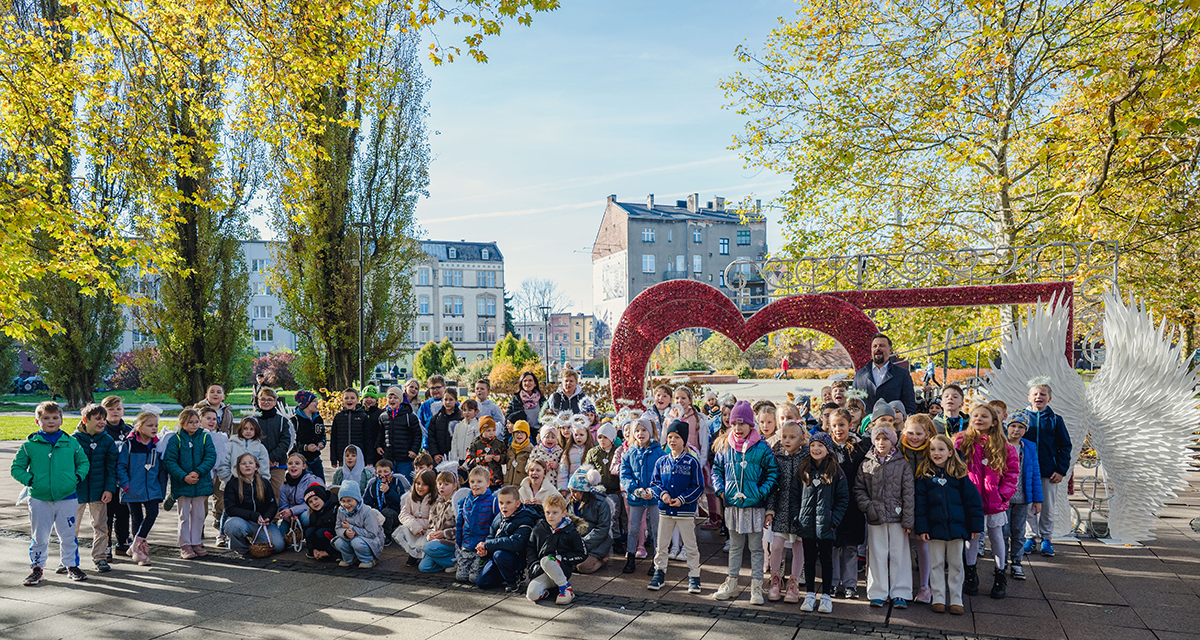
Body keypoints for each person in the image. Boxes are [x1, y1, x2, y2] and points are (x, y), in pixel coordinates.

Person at [12, 401, 90, 585]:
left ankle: (71, 565)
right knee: (39, 535)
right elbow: (17, 468)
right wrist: (31, 480)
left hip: (67, 497)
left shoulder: (71, 443)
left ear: (61, 420)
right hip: (39, 498)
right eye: (46, 418)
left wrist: (76, 478)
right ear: (37, 421)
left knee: (68, 535)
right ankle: (37, 568)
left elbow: (83, 463)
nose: (51, 421)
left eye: (55, 418)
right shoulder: (29, 445)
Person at [712, 402, 778, 604]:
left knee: (757, 548)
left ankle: (756, 587)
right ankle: (732, 583)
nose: (738, 428)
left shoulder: (762, 448)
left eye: (742, 423)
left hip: (755, 506)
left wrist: (761, 492)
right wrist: (721, 491)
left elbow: (772, 473)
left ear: (751, 424)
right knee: (735, 547)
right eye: (734, 423)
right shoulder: (725, 446)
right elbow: (717, 470)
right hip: (733, 505)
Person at [915, 434, 984, 615]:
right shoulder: (924, 477)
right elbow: (920, 505)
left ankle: (956, 598)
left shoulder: (960, 476)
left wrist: (975, 526)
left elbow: (973, 502)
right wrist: (922, 528)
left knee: (956, 564)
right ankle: (938, 597)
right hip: (934, 529)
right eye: (932, 450)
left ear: (950, 452)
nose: (936, 453)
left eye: (941, 449)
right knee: (936, 564)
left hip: (957, 529)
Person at [956, 403, 1018, 599]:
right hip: (971, 502)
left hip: (994, 502)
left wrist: (1001, 495)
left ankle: (1000, 575)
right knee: (972, 538)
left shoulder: (1005, 447)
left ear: (993, 422)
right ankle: (971, 574)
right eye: (975, 415)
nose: (978, 419)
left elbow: (1012, 475)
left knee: (997, 537)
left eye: (984, 416)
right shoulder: (960, 442)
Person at [854, 423, 915, 608]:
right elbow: (859, 489)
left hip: (897, 517)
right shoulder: (866, 463)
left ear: (893, 441)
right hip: (875, 517)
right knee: (876, 554)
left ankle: (901, 591)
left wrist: (908, 519)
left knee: (900, 554)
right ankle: (877, 592)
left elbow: (908, 493)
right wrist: (869, 507)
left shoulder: (902, 464)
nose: (881, 442)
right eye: (878, 439)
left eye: (885, 439)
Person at [648, 419, 706, 594]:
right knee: (662, 544)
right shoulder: (661, 462)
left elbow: (698, 486)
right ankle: (659, 573)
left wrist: (682, 499)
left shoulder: (691, 462)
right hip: (665, 511)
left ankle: (694, 576)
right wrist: (663, 494)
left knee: (690, 545)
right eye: (670, 436)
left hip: (685, 511)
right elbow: (655, 482)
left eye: (677, 437)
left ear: (684, 440)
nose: (672, 440)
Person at [795, 431, 850, 614]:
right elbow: (795, 495)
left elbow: (843, 498)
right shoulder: (804, 469)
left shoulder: (836, 471)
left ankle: (826, 596)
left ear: (828, 449)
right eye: (813, 445)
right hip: (807, 524)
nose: (816, 449)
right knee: (809, 560)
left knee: (827, 561)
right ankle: (810, 594)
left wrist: (834, 521)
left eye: (820, 446)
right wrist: (797, 517)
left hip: (826, 525)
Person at [1022, 381, 1073, 558]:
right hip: (1026, 472)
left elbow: (1065, 446)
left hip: (1048, 472)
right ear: (1029, 397)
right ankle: (1030, 537)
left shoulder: (1055, 420)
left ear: (1049, 398)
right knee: (1028, 505)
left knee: (1048, 507)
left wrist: (1061, 469)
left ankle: (1047, 538)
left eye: (1043, 394)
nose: (1039, 397)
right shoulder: (1022, 419)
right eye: (1035, 394)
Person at [163, 408, 217, 560]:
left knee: (199, 514)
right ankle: (185, 543)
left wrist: (198, 472)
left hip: (201, 482)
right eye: (190, 422)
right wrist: (183, 476)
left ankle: (196, 542)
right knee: (184, 515)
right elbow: (170, 461)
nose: (194, 425)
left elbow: (210, 457)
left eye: (196, 422)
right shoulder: (176, 440)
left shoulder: (205, 437)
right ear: (182, 423)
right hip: (183, 483)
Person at [117, 411, 168, 566]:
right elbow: (121, 466)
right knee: (137, 518)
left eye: (156, 426)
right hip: (132, 489)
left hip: (152, 489)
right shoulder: (129, 445)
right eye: (150, 425)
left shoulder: (157, 446)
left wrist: (161, 490)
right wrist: (126, 485)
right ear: (139, 427)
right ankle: (139, 550)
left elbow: (161, 471)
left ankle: (136, 545)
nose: (154, 428)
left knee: (153, 513)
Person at [828, 408, 869, 598]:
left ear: (850, 425)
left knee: (851, 546)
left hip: (852, 504)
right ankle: (833, 582)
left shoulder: (859, 449)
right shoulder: (826, 448)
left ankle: (851, 584)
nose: (838, 429)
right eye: (834, 425)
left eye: (842, 425)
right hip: (831, 503)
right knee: (834, 545)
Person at [73, 403, 117, 574]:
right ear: (85, 420)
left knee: (100, 525)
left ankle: (99, 558)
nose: (102, 422)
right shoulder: (73, 440)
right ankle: (69, 559)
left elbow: (111, 467)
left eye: (104, 419)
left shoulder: (107, 441)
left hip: (100, 491)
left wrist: (109, 489)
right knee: (71, 527)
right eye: (97, 419)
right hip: (76, 492)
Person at [765, 421, 807, 603]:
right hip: (781, 508)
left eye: (792, 437)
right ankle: (775, 579)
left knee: (799, 546)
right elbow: (773, 486)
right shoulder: (777, 457)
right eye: (784, 437)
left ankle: (794, 583)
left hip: (799, 509)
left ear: (801, 438)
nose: (787, 441)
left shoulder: (806, 459)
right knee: (776, 545)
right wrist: (770, 510)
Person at [525, 492, 587, 604]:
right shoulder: (538, 529)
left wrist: (562, 558)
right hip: (542, 570)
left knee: (547, 560)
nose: (550, 516)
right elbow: (530, 548)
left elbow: (582, 554)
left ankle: (565, 588)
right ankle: (548, 591)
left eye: (555, 513)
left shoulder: (571, 532)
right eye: (547, 512)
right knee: (531, 595)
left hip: (561, 570)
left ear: (564, 514)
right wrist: (533, 564)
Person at [620, 417, 664, 573]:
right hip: (636, 498)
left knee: (657, 528)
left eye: (644, 430)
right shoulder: (629, 453)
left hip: (654, 498)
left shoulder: (659, 452)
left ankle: (657, 561)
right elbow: (625, 475)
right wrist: (635, 490)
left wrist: (654, 490)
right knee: (633, 528)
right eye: (637, 430)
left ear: (650, 432)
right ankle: (631, 557)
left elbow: (663, 474)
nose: (640, 433)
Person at [476, 485, 538, 591]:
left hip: (515, 557)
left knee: (499, 554)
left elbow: (516, 543)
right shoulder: (499, 516)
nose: (504, 506)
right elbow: (491, 535)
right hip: (497, 556)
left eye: (508, 503)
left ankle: (513, 581)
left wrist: (488, 545)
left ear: (518, 504)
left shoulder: (525, 519)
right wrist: (485, 550)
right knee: (482, 583)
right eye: (501, 503)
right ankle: (504, 573)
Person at [901, 414, 936, 603]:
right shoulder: (899, 449)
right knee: (904, 546)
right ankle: (904, 584)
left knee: (922, 545)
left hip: (924, 505)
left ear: (927, 434)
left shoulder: (932, 451)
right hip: (904, 504)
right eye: (911, 433)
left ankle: (924, 586)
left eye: (919, 434)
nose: (914, 437)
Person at [1004, 412, 1043, 581]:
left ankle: (1017, 563)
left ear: (1026, 430)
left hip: (1021, 498)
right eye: (1013, 426)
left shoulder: (1029, 447)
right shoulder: (1001, 446)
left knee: (1019, 532)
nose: (1016, 430)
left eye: (1021, 427)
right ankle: (1001, 563)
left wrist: (1037, 499)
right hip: (1003, 499)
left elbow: (1035, 473)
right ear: (1007, 427)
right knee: (1002, 533)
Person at [224, 452, 285, 556]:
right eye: (243, 463)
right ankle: (243, 548)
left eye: (250, 463)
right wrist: (254, 516)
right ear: (239, 467)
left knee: (278, 546)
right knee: (232, 525)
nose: (247, 465)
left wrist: (267, 517)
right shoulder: (232, 484)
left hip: (262, 523)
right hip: (243, 521)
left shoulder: (265, 482)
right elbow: (230, 508)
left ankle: (257, 542)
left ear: (256, 467)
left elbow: (272, 504)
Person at [852, 333, 917, 415]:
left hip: (891, 425)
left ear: (890, 350)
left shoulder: (902, 374)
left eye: (881, 345)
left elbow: (909, 406)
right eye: (875, 346)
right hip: (865, 425)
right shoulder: (860, 375)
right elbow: (853, 404)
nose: (878, 348)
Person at [100, 395, 133, 558]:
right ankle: (105, 544)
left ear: (123, 411)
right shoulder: (100, 431)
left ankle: (123, 542)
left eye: (118, 409)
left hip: (124, 480)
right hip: (106, 480)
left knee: (124, 512)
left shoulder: (129, 430)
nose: (115, 412)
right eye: (110, 409)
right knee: (106, 514)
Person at [585, 420, 624, 553]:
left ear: (612, 438)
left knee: (614, 515)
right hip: (598, 490)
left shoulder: (617, 451)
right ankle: (602, 539)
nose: (602, 440)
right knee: (600, 515)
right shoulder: (593, 452)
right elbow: (588, 469)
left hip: (615, 490)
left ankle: (617, 539)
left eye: (605, 437)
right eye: (600, 437)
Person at [455, 466, 498, 583]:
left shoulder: (493, 502)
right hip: (467, 545)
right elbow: (460, 523)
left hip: (482, 548)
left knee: (474, 579)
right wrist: (459, 542)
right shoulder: (465, 502)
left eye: (479, 481)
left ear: (487, 484)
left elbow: (496, 525)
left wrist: (489, 545)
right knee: (461, 577)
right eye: (472, 482)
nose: (475, 485)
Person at [568, 467, 612, 574]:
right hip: (578, 543)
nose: (572, 495)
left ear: (584, 491)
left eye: (575, 492)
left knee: (584, 567)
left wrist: (583, 543)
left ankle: (602, 559)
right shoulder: (571, 503)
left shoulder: (601, 504)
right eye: (571, 492)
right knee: (569, 564)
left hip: (597, 543)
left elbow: (602, 529)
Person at [333, 480, 384, 568]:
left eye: (349, 500)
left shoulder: (368, 512)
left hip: (370, 541)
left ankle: (369, 559)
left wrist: (351, 528)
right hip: (352, 538)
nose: (346, 504)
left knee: (356, 542)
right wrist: (345, 533)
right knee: (339, 542)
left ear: (357, 500)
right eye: (343, 501)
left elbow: (372, 534)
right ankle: (349, 559)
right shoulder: (341, 510)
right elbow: (338, 528)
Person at [275, 452, 321, 547]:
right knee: (279, 545)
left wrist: (293, 511)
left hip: (307, 513)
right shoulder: (284, 485)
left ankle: (308, 536)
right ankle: (294, 536)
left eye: (297, 463)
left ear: (304, 466)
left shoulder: (311, 481)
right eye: (290, 463)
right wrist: (289, 516)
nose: (293, 466)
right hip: (290, 519)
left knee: (305, 518)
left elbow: (314, 503)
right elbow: (283, 506)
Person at [376, 386, 423, 478]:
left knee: (404, 482)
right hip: (389, 457)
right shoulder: (383, 416)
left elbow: (417, 434)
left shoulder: (409, 417)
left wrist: (414, 450)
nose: (392, 400)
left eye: (395, 398)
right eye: (390, 397)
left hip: (405, 458)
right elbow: (381, 433)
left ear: (401, 400)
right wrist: (378, 445)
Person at [254, 387, 292, 498]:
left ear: (275, 402)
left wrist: (272, 458)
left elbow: (285, 441)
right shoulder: (253, 420)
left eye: (269, 399)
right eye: (263, 399)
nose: (266, 402)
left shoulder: (282, 421)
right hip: (257, 463)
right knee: (259, 492)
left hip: (277, 463)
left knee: (277, 492)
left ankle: (275, 515)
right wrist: (264, 459)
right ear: (258, 401)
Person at [419, 470, 459, 573]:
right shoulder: (437, 504)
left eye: (446, 484)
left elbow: (461, 528)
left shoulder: (457, 504)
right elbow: (431, 525)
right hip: (437, 542)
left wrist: (444, 533)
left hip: (451, 541)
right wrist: (430, 534)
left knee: (427, 547)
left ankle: (456, 561)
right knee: (424, 567)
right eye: (440, 484)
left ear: (454, 486)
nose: (442, 487)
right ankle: (448, 561)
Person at [396, 469, 436, 565]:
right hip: (415, 529)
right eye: (418, 483)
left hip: (429, 530)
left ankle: (424, 554)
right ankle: (413, 554)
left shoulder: (435, 499)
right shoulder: (410, 497)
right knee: (403, 528)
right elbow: (403, 514)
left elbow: (434, 520)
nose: (420, 487)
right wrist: (414, 525)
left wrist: (419, 524)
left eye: (424, 484)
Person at [363, 458, 404, 542]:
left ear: (391, 472)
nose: (382, 475)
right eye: (379, 472)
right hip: (378, 513)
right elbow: (367, 501)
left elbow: (401, 501)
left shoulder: (397, 482)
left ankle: (386, 536)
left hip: (394, 514)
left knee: (386, 512)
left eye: (386, 472)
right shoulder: (373, 485)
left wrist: (389, 492)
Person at [330, 388, 370, 470]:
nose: (349, 400)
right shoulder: (338, 417)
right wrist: (333, 458)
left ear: (357, 400)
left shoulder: (363, 416)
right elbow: (334, 439)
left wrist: (369, 459)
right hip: (343, 456)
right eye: (346, 398)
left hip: (358, 457)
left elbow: (368, 438)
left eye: (352, 398)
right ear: (342, 400)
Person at [291, 390, 326, 481]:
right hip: (301, 461)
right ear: (306, 404)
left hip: (316, 459)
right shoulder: (295, 421)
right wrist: (306, 447)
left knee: (320, 484)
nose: (317, 403)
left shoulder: (318, 419)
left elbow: (322, 435)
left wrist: (322, 443)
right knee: (304, 485)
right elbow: (292, 443)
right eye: (314, 401)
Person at [226, 417, 271, 483]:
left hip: (254, 483)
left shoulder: (260, 447)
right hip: (233, 481)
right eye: (245, 428)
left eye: (251, 429)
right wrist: (227, 479)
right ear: (241, 429)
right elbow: (224, 463)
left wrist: (262, 483)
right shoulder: (231, 445)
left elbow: (264, 468)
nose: (248, 431)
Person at [466, 417, 506, 490]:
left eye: (493, 430)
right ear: (482, 431)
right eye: (488, 430)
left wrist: (500, 458)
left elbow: (506, 458)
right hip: (479, 482)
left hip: (495, 481)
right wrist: (483, 459)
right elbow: (469, 461)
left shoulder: (499, 443)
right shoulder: (475, 444)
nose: (491, 433)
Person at [302, 484, 339, 561]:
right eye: (310, 502)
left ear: (322, 497)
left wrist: (329, 551)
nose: (314, 503)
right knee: (309, 531)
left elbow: (338, 533)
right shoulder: (313, 514)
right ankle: (318, 553)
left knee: (322, 533)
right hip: (321, 541)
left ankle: (332, 553)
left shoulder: (335, 509)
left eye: (316, 499)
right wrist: (313, 549)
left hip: (334, 540)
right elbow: (309, 535)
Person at [426, 388, 461, 466]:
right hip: (440, 456)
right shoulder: (436, 418)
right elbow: (431, 437)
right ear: (442, 400)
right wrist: (435, 454)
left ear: (456, 400)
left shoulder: (460, 417)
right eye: (445, 399)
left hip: (456, 457)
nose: (448, 402)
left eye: (451, 400)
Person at [558, 418, 595, 489]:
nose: (578, 437)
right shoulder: (568, 451)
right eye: (576, 435)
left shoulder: (592, 450)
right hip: (572, 487)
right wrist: (562, 488)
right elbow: (563, 471)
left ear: (587, 434)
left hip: (587, 487)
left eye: (581, 435)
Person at [507, 372, 546, 439]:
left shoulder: (541, 399)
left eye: (530, 380)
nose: (527, 383)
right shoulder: (516, 399)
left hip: (539, 434)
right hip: (522, 435)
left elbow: (548, 417)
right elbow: (508, 421)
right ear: (521, 383)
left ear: (535, 383)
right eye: (525, 381)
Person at [504, 420, 533, 487]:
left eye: (522, 432)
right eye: (517, 432)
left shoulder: (530, 450)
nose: (519, 435)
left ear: (527, 434)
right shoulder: (511, 447)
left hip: (521, 487)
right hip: (508, 485)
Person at [360, 386, 383, 462]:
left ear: (376, 400)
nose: (369, 400)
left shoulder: (381, 413)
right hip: (361, 447)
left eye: (372, 397)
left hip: (375, 448)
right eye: (366, 397)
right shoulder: (359, 412)